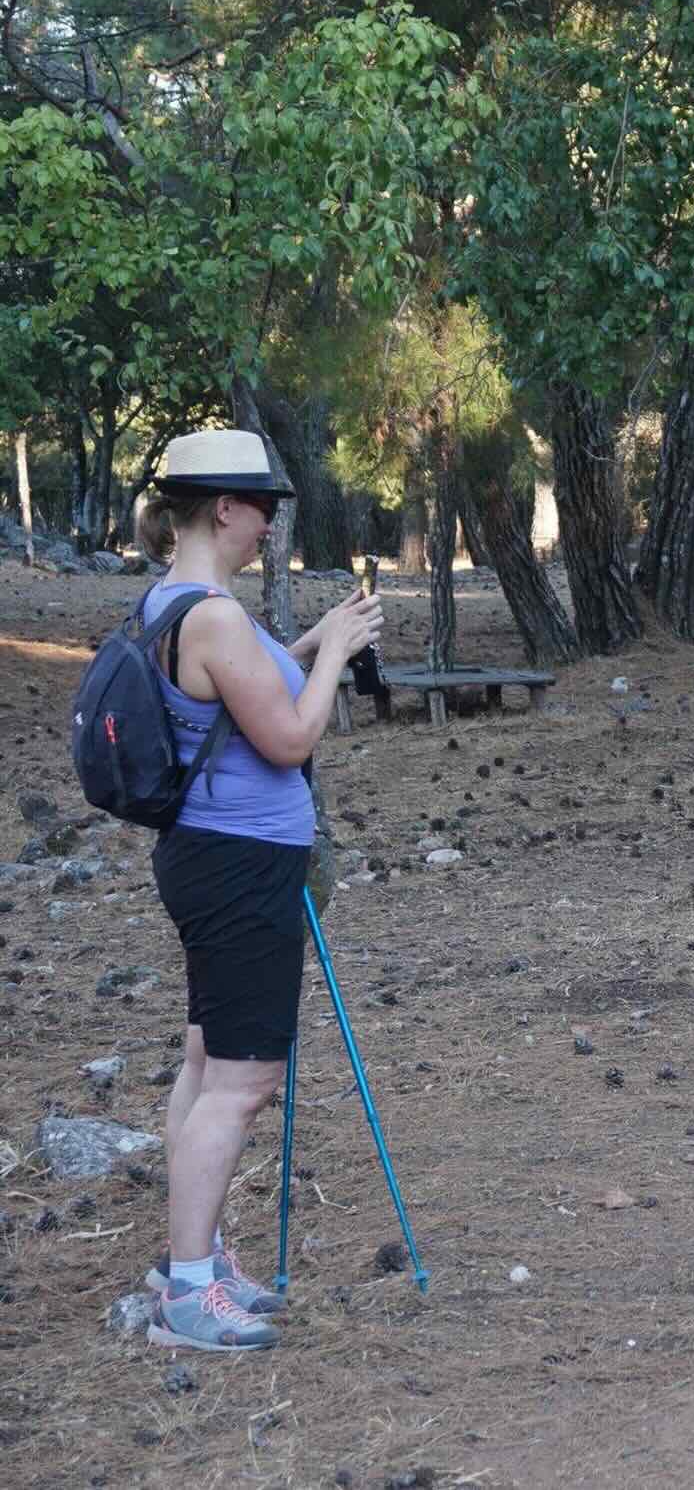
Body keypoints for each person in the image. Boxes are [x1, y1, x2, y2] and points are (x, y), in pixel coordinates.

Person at [134, 429, 384, 1349]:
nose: (271, 526)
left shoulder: (181, 602)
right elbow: (286, 738)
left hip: (213, 856)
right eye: (264, 508)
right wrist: (332, 659)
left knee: (207, 1063)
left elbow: (249, 685)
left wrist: (318, 640)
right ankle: (191, 1296)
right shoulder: (212, 615)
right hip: (237, 867)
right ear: (224, 509)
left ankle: (186, 1262)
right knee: (242, 1082)